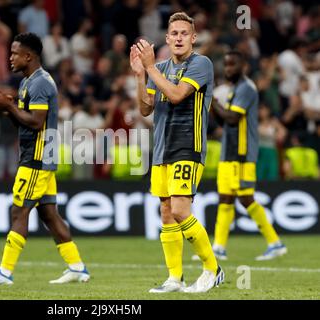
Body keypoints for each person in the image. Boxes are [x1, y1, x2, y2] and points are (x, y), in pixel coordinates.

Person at [0, 33, 90, 285]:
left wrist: (11, 106)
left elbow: (36, 123)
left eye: (15, 53)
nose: (10, 58)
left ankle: (4, 272)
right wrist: (7, 108)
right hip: (38, 155)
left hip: (37, 157)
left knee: (19, 210)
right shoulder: (29, 82)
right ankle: (77, 268)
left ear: (29, 56)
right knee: (49, 214)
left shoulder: (39, 83)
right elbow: (24, 123)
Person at [131, 12, 224, 293]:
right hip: (162, 148)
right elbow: (146, 108)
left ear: (193, 38)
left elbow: (176, 95)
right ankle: (175, 278)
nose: (179, 38)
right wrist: (139, 76)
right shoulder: (159, 67)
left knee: (182, 211)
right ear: (168, 38)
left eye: (185, 33)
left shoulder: (201, 64)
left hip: (187, 145)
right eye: (175, 34)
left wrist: (150, 68)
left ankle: (212, 269)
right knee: (167, 212)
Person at [210, 51, 287, 261]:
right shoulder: (234, 89)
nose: (228, 69)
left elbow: (233, 118)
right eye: (225, 65)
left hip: (242, 154)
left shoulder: (247, 88)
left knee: (245, 198)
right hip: (228, 152)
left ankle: (275, 243)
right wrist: (211, 104)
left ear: (243, 65)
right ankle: (218, 247)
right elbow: (223, 122)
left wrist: (211, 99)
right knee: (225, 199)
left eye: (232, 64)